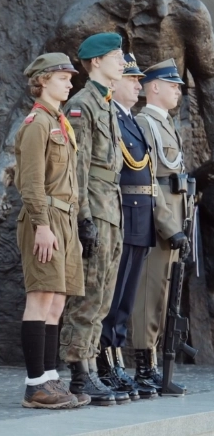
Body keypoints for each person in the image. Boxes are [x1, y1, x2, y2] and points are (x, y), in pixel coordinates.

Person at [45, 0, 214, 150]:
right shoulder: (80, 21)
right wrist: (7, 168)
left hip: (162, 143)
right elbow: (41, 93)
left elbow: (209, 83)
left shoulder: (188, 14)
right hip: (96, 145)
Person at [97, 53, 175, 400]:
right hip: (122, 215)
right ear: (114, 83)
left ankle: (117, 363)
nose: (137, 85)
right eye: (131, 79)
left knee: (126, 299)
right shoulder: (112, 117)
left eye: (138, 80)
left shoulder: (131, 121)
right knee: (113, 296)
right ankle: (106, 364)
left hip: (141, 216)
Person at [59, 33, 130, 406]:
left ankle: (89, 365)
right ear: (96, 61)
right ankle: (79, 373)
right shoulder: (82, 104)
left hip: (111, 210)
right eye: (117, 56)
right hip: (95, 211)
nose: (123, 62)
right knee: (86, 295)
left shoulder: (105, 104)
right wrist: (83, 219)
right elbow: (79, 169)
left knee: (102, 296)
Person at [14, 53, 88, 409]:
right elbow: (30, 182)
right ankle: (35, 386)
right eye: (62, 77)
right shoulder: (37, 124)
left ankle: (49, 378)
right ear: (42, 80)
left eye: (70, 77)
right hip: (45, 219)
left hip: (65, 219)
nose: (70, 83)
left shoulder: (59, 122)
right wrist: (41, 225)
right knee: (41, 297)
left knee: (57, 301)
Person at [132, 59, 190, 394]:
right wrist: (169, 225)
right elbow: (149, 179)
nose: (178, 91)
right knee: (149, 294)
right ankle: (144, 368)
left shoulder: (166, 123)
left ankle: (154, 366)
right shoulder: (145, 123)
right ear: (154, 87)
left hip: (175, 216)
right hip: (158, 220)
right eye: (172, 85)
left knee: (165, 294)